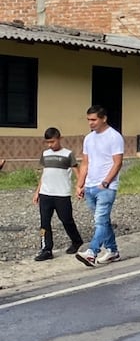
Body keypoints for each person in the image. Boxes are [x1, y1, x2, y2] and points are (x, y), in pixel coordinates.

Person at [76, 105, 125, 267]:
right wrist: (80, 184)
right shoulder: (88, 138)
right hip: (90, 186)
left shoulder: (114, 137)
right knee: (103, 221)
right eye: (89, 120)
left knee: (100, 220)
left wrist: (106, 182)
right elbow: (85, 162)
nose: (91, 123)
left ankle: (92, 252)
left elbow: (117, 163)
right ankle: (112, 251)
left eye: (94, 119)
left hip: (106, 187)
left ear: (103, 118)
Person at [33, 127, 84, 261]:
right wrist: (37, 191)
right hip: (46, 193)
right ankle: (46, 249)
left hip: (62, 194)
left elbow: (77, 172)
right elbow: (45, 173)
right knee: (44, 222)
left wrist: (79, 187)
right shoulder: (45, 154)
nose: (50, 145)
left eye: (53, 141)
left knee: (66, 220)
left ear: (59, 139)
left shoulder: (68, 154)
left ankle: (76, 241)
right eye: (48, 142)